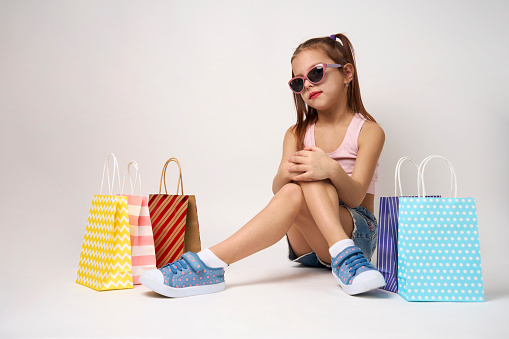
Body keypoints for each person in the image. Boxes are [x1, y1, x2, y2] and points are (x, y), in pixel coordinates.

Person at [140, 33, 386, 298]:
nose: (308, 86)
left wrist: (331, 169)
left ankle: (207, 264)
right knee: (295, 185)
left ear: (347, 73)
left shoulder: (368, 131)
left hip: (355, 236)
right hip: (306, 244)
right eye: (298, 82)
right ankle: (211, 263)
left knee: (313, 173)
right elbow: (279, 190)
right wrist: (285, 173)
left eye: (316, 74)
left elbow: (356, 195)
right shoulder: (296, 133)